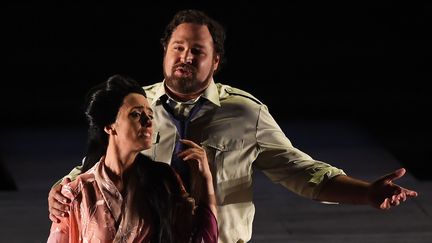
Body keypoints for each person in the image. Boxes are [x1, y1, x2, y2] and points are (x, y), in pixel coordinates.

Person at [48, 10, 418, 243]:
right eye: (177, 48)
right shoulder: (135, 105)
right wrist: (61, 189)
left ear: (216, 62)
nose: (185, 57)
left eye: (197, 51)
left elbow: (302, 172)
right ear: (164, 51)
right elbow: (95, 162)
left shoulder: (245, 113)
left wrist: (366, 193)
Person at [47, 74, 218, 243]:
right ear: (110, 126)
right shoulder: (78, 192)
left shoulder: (164, 180)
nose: (148, 122)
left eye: (150, 116)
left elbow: (198, 238)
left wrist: (206, 178)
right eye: (136, 114)